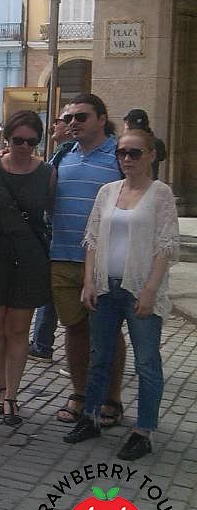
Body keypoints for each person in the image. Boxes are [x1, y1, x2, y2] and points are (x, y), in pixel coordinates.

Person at [64, 128, 178, 461]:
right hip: (105, 286)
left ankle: (143, 430)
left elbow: (166, 245)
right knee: (100, 355)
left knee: (146, 362)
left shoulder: (161, 194)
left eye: (135, 153)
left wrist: (150, 290)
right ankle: (91, 416)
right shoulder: (108, 191)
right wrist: (88, 281)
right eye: (122, 153)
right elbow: (93, 239)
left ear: (151, 155)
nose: (127, 159)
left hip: (139, 289)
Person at [51, 94, 127, 428]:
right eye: (68, 119)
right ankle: (80, 394)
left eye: (81, 117)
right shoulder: (62, 156)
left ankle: (112, 397)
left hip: (106, 260)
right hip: (63, 255)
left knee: (109, 332)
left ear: (101, 118)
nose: (73, 124)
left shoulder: (120, 157)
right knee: (74, 329)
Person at [0, 111, 54, 427]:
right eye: (17, 140)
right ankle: (0, 387)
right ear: (6, 138)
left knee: (18, 329)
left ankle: (12, 395)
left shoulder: (48, 173)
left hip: (29, 255)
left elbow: (51, 215)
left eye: (31, 141)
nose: (24, 146)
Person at [29, 116, 76, 361]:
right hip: (57, 232)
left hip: (59, 233)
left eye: (60, 120)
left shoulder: (64, 154)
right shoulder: (62, 152)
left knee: (51, 290)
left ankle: (42, 343)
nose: (54, 125)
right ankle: (41, 341)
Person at [122, 109, 167, 180]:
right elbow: (162, 157)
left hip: (132, 184)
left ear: (128, 124)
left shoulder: (124, 143)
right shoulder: (157, 142)